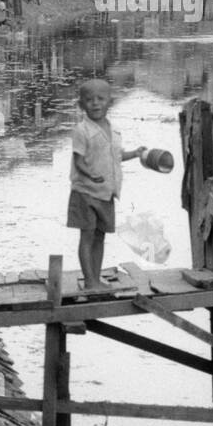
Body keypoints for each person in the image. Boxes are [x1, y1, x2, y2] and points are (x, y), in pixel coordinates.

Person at [68, 79, 145, 293]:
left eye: (100, 99)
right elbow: (79, 161)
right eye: (89, 100)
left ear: (109, 102)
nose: (95, 103)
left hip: (106, 193)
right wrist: (91, 175)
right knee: (87, 235)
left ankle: (95, 277)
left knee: (100, 236)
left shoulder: (113, 129)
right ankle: (90, 281)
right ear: (81, 104)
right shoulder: (81, 130)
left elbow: (116, 156)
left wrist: (135, 153)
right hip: (85, 192)